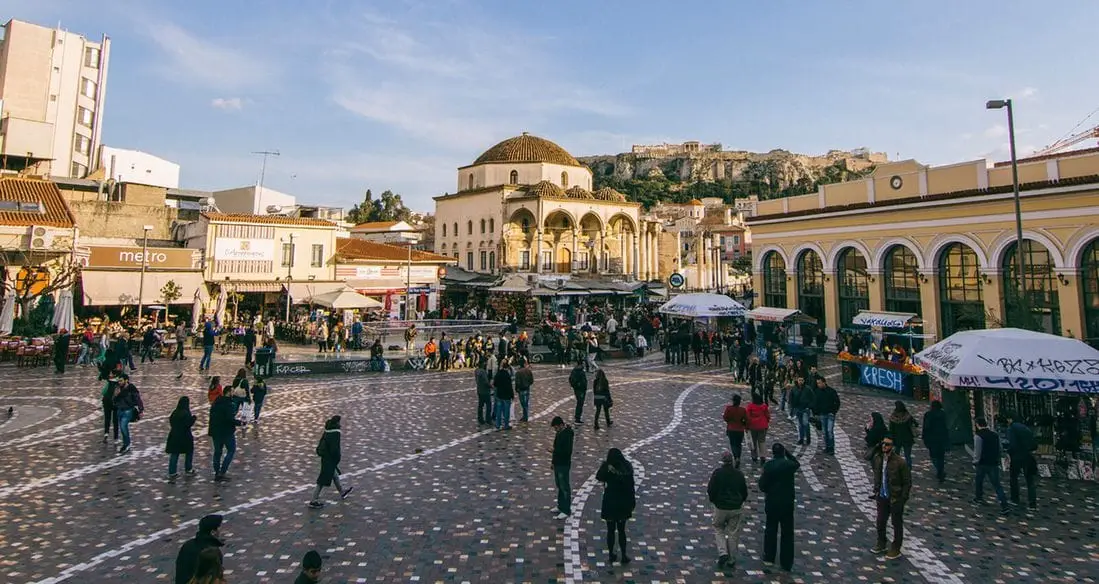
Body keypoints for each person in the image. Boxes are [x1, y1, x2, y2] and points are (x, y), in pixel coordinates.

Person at [758, 443, 799, 571]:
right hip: (787, 503)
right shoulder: (789, 465)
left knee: (770, 529)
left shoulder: (769, 466)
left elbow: (762, 485)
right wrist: (788, 454)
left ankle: (769, 556)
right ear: (783, 452)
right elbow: (797, 463)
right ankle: (786, 561)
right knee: (787, 533)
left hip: (772, 502)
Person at [871, 435, 910, 560]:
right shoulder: (878, 458)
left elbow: (907, 482)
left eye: (887, 444)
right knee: (880, 521)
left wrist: (903, 498)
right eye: (883, 443)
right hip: (882, 496)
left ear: (893, 447)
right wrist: (876, 447)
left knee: (896, 523)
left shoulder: (900, 462)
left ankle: (896, 548)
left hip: (895, 497)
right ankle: (881, 543)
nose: (884, 446)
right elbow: (866, 456)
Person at [708, 450, 749, 569]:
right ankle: (732, 558)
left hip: (720, 506)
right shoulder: (739, 474)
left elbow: (711, 489)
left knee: (718, 528)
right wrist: (741, 501)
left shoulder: (717, 473)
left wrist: (713, 500)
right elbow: (744, 491)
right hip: (735, 507)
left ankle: (723, 552)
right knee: (733, 532)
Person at [596, 448, 636, 566]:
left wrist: (607, 469)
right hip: (623, 503)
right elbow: (630, 484)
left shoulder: (608, 467)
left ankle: (611, 554)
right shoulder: (627, 467)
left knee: (610, 530)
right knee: (622, 530)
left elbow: (599, 477)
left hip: (610, 503)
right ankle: (623, 554)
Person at [309, 416, 353, 508]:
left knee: (334, 475)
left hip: (325, 457)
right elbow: (335, 450)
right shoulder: (336, 433)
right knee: (322, 480)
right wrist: (337, 459)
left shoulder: (327, 430)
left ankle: (342, 492)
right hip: (329, 459)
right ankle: (313, 500)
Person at [972, 417, 1011, 515]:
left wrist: (975, 462)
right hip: (993, 463)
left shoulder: (978, 436)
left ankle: (979, 497)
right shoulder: (995, 435)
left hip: (982, 463)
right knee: (997, 485)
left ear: (977, 424)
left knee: (979, 481)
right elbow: (1000, 448)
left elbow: (978, 451)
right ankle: (1004, 505)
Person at [174, 514, 224, 584]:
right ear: (213, 532)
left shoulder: (188, 545)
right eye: (219, 527)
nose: (220, 530)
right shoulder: (212, 552)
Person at [1004, 411, 1039, 510]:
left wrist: (1009, 453)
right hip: (1028, 456)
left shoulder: (1012, 428)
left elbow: (1012, 444)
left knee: (1014, 478)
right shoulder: (1025, 428)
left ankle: (1015, 499)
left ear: (1010, 419)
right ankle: (1032, 503)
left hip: (1017, 457)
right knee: (1030, 480)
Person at [208, 390, 241, 482]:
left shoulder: (215, 403)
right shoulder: (228, 405)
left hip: (216, 432)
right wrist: (240, 423)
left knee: (217, 452)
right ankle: (222, 472)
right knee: (231, 450)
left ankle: (217, 473)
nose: (233, 393)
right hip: (226, 432)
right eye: (232, 391)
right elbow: (230, 419)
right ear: (228, 393)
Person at [166, 396, 197, 478]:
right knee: (189, 452)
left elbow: (171, 422)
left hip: (174, 435)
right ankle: (188, 469)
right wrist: (193, 418)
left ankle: (172, 472)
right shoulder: (186, 412)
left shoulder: (175, 412)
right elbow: (188, 424)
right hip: (185, 436)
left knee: (174, 454)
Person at [550, 416, 574, 519]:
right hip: (558, 463)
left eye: (555, 427)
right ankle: (560, 506)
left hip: (563, 464)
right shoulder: (559, 433)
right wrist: (553, 462)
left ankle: (566, 509)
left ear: (560, 425)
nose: (555, 429)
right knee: (559, 485)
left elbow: (567, 452)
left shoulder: (567, 435)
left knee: (564, 486)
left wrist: (554, 452)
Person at [113, 375, 144, 454]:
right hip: (119, 410)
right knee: (122, 428)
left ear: (126, 380)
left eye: (121, 380)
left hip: (128, 410)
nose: (119, 382)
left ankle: (127, 444)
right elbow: (114, 398)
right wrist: (116, 396)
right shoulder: (117, 388)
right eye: (119, 381)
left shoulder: (131, 388)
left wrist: (141, 410)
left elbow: (138, 398)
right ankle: (126, 443)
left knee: (123, 427)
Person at [922, 401, 949, 482]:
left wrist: (924, 437)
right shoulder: (943, 414)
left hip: (932, 438)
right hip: (942, 438)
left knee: (933, 456)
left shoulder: (928, 414)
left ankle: (939, 470)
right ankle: (940, 470)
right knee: (941, 456)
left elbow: (926, 427)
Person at [813, 377, 841, 455]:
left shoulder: (831, 391)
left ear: (824, 382)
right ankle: (827, 446)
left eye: (819, 383)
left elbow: (837, 402)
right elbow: (816, 402)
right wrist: (816, 413)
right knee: (824, 432)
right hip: (822, 414)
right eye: (817, 383)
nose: (818, 384)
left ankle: (831, 447)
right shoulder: (817, 392)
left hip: (830, 414)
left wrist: (833, 412)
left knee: (829, 431)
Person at [888, 401, 918, 467]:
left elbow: (891, 430)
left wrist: (891, 439)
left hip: (897, 439)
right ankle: (908, 468)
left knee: (896, 455)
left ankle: (897, 467)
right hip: (907, 438)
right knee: (907, 456)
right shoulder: (907, 416)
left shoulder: (893, 417)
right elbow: (916, 424)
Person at [722, 394, 748, 468]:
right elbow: (746, 419)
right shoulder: (742, 410)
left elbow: (725, 418)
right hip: (740, 430)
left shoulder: (729, 409)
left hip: (731, 429)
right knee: (739, 444)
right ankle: (738, 457)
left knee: (733, 444)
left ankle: (736, 457)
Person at [746, 393, 771, 464]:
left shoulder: (750, 406)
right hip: (763, 426)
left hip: (752, 426)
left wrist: (747, 426)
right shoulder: (764, 406)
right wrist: (766, 422)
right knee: (762, 441)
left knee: (753, 442)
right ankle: (763, 456)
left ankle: (754, 456)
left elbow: (747, 416)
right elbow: (767, 415)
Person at [493, 358, 514, 430]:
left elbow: (495, 384)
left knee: (499, 411)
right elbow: (509, 386)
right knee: (506, 411)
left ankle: (497, 425)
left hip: (499, 394)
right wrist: (512, 395)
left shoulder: (498, 374)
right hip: (506, 395)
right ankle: (506, 425)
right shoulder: (507, 375)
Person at [515, 358, 534, 422]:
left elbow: (517, 382)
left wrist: (517, 389)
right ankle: (525, 416)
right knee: (526, 403)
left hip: (521, 389)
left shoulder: (518, 372)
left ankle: (525, 416)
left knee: (523, 403)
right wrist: (528, 384)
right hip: (527, 388)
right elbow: (532, 381)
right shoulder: (528, 371)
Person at [475, 360, 493, 424]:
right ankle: (488, 419)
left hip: (479, 390)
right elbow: (486, 382)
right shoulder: (483, 372)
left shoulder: (476, 371)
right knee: (488, 405)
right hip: (485, 391)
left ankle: (480, 418)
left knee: (480, 405)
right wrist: (491, 386)